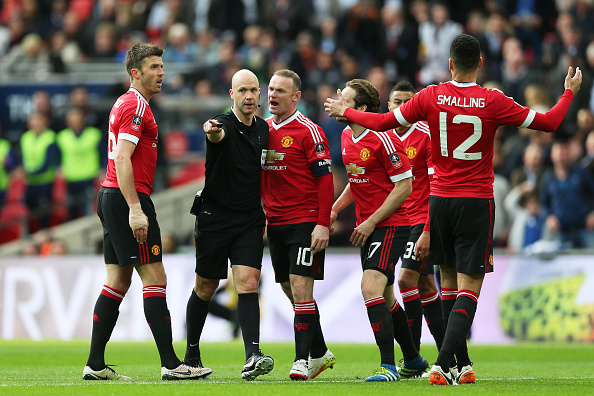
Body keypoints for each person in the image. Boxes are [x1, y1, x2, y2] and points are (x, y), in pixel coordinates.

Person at [325, 34, 582, 385]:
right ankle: (443, 362)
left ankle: (460, 364)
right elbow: (550, 123)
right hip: (475, 201)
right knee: (469, 288)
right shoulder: (493, 100)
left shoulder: (430, 95)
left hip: (439, 202)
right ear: (480, 63)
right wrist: (569, 92)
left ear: (449, 64)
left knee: (447, 283)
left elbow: (384, 123)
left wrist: (346, 111)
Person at [83, 42, 212, 381]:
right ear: (136, 73)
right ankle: (172, 364)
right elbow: (123, 158)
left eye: (162, 66)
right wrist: (136, 209)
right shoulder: (136, 106)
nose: (162, 72)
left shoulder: (125, 103)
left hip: (111, 196)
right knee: (155, 278)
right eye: (154, 67)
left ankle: (95, 364)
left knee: (118, 279)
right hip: (127, 197)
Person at [330, 78, 428, 382]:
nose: (336, 100)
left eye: (344, 98)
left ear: (360, 108)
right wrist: (335, 208)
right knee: (385, 298)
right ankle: (413, 359)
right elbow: (357, 179)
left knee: (369, 287)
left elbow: (404, 186)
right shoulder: (347, 135)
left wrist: (371, 220)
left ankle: (388, 367)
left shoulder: (382, 138)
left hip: (391, 225)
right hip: (368, 226)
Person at [184, 69, 273, 381]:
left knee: (248, 283)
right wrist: (211, 131)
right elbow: (215, 133)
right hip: (214, 219)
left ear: (259, 94)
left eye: (253, 90)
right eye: (242, 90)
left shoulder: (264, 129)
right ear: (232, 95)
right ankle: (191, 354)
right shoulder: (221, 124)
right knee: (205, 287)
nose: (249, 96)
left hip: (249, 219)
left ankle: (253, 355)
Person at [262, 69, 335, 380]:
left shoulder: (309, 131)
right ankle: (320, 352)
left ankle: (301, 361)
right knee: (289, 288)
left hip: (304, 220)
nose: (273, 95)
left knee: (302, 289)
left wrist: (322, 224)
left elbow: (326, 180)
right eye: (272, 89)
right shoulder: (262, 129)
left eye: (281, 91)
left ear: (296, 97)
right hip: (275, 222)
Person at [387, 81, 446, 371]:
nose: (402, 107)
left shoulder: (426, 136)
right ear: (389, 107)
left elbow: (436, 185)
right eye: (397, 102)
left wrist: (427, 229)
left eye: (408, 102)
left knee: (405, 280)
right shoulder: (384, 137)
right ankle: (452, 351)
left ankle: (413, 356)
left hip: (421, 220)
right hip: (396, 221)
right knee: (424, 285)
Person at [540, 138, 594, 248]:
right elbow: (544, 203)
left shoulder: (581, 173)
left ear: (569, 154)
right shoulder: (548, 178)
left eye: (564, 152)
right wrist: (548, 217)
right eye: (559, 153)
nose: (562, 156)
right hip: (560, 231)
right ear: (552, 155)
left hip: (584, 229)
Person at [56, 107, 103, 220]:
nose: (75, 121)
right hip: (70, 178)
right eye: (72, 118)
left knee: (89, 210)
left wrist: (102, 168)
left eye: (78, 117)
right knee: (71, 211)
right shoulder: (62, 137)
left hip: (89, 177)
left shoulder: (94, 134)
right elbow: (57, 156)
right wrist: (58, 167)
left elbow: (103, 153)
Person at [20, 111, 59, 232]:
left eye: (37, 120)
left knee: (43, 215)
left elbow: (47, 164)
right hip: (30, 183)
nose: (34, 123)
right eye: (32, 120)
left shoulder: (50, 137)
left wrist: (27, 173)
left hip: (45, 183)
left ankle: (45, 242)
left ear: (44, 122)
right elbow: (22, 159)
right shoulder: (25, 137)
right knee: (29, 214)